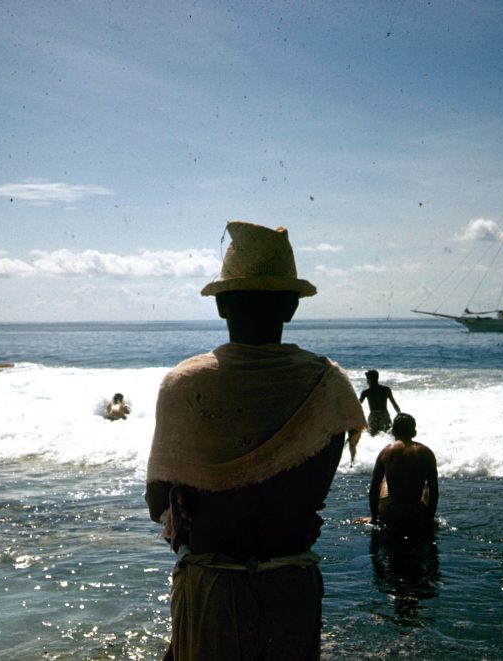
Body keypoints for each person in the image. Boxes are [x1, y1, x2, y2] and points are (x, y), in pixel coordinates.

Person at [145, 221, 366, 661]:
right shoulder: (329, 385)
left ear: (222, 306)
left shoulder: (184, 385)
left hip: (212, 586)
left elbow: (159, 505)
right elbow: (314, 487)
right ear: (291, 308)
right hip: (292, 585)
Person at [357, 413, 438, 539]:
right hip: (416, 514)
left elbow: (374, 487)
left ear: (393, 431)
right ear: (414, 432)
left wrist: (374, 518)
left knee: (384, 481)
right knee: (426, 486)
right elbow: (434, 491)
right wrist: (429, 519)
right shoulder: (426, 452)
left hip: (391, 515)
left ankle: (378, 515)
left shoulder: (387, 451)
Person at [360, 369, 401, 437]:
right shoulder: (386, 389)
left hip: (373, 416)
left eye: (367, 379)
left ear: (369, 380)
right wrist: (399, 413)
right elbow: (394, 403)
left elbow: (358, 406)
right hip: (384, 415)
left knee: (372, 437)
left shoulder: (366, 392)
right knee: (387, 435)